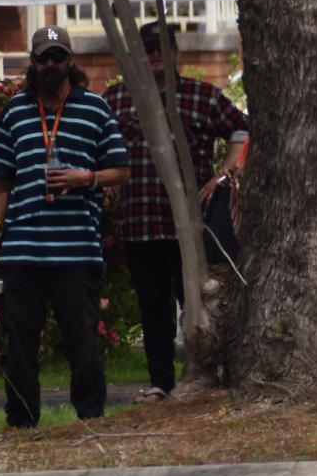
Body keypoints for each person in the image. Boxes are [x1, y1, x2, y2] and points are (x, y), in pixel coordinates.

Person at [0, 26, 129, 426]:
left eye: (58, 57)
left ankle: (91, 416)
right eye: (43, 58)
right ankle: (22, 420)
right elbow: (2, 180)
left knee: (82, 339)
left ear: (70, 60)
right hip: (22, 249)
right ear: (31, 62)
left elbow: (121, 169)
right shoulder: (15, 111)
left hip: (76, 248)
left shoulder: (95, 108)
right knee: (20, 340)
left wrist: (86, 178)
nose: (50, 65)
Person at [103, 21, 248, 403]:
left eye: (162, 48)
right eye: (147, 48)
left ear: (175, 54)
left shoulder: (203, 97)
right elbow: (96, 144)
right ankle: (160, 384)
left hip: (190, 225)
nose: (154, 55)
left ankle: (204, 376)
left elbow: (242, 131)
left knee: (199, 303)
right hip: (139, 221)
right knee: (153, 308)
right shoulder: (116, 99)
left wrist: (224, 173)